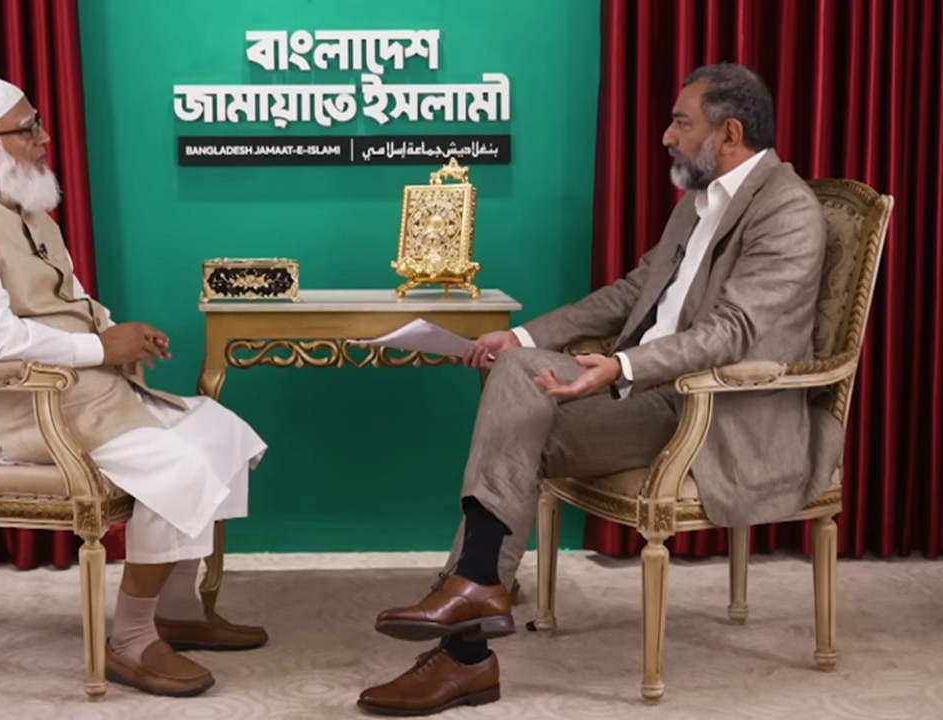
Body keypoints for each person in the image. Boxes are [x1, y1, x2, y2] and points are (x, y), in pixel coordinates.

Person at [356, 63, 843, 716]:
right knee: (514, 383)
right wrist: (522, 337)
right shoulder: (698, 201)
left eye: (681, 122)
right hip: (654, 398)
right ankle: (473, 611)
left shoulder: (787, 210)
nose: (667, 136)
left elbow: (731, 333)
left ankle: (466, 638)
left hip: (719, 415)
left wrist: (621, 367)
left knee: (518, 417)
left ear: (729, 134)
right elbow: (631, 292)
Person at [0, 77, 268, 698]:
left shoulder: (21, 209)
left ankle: (177, 609)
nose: (44, 138)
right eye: (29, 129)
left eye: (38, 123)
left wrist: (117, 333)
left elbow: (65, 299)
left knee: (219, 433)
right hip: (12, 411)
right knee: (177, 464)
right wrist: (102, 349)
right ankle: (131, 640)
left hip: (75, 391)